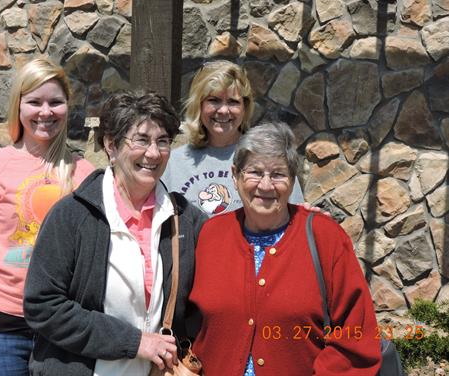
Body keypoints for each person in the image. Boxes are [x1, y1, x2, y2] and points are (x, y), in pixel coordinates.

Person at [23, 92, 207, 376]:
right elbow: (42, 305)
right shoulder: (72, 215)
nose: (153, 153)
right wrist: (133, 342)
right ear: (111, 145)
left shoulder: (185, 219)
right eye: (141, 140)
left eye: (163, 141)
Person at [189, 122, 381, 375]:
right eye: (255, 172)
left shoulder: (325, 237)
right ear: (235, 176)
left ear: (292, 180)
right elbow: (186, 320)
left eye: (278, 174)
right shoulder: (210, 235)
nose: (266, 185)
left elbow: (356, 335)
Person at [0, 58, 95, 376]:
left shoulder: (84, 174)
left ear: (67, 107)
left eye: (55, 102)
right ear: (18, 105)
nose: (46, 112)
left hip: (65, 327)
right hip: (2, 327)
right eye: (35, 102)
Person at [162, 60, 304, 216]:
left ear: (245, 108)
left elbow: (296, 219)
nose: (223, 110)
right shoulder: (172, 163)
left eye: (233, 102)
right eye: (214, 100)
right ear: (199, 105)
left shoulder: (272, 158)